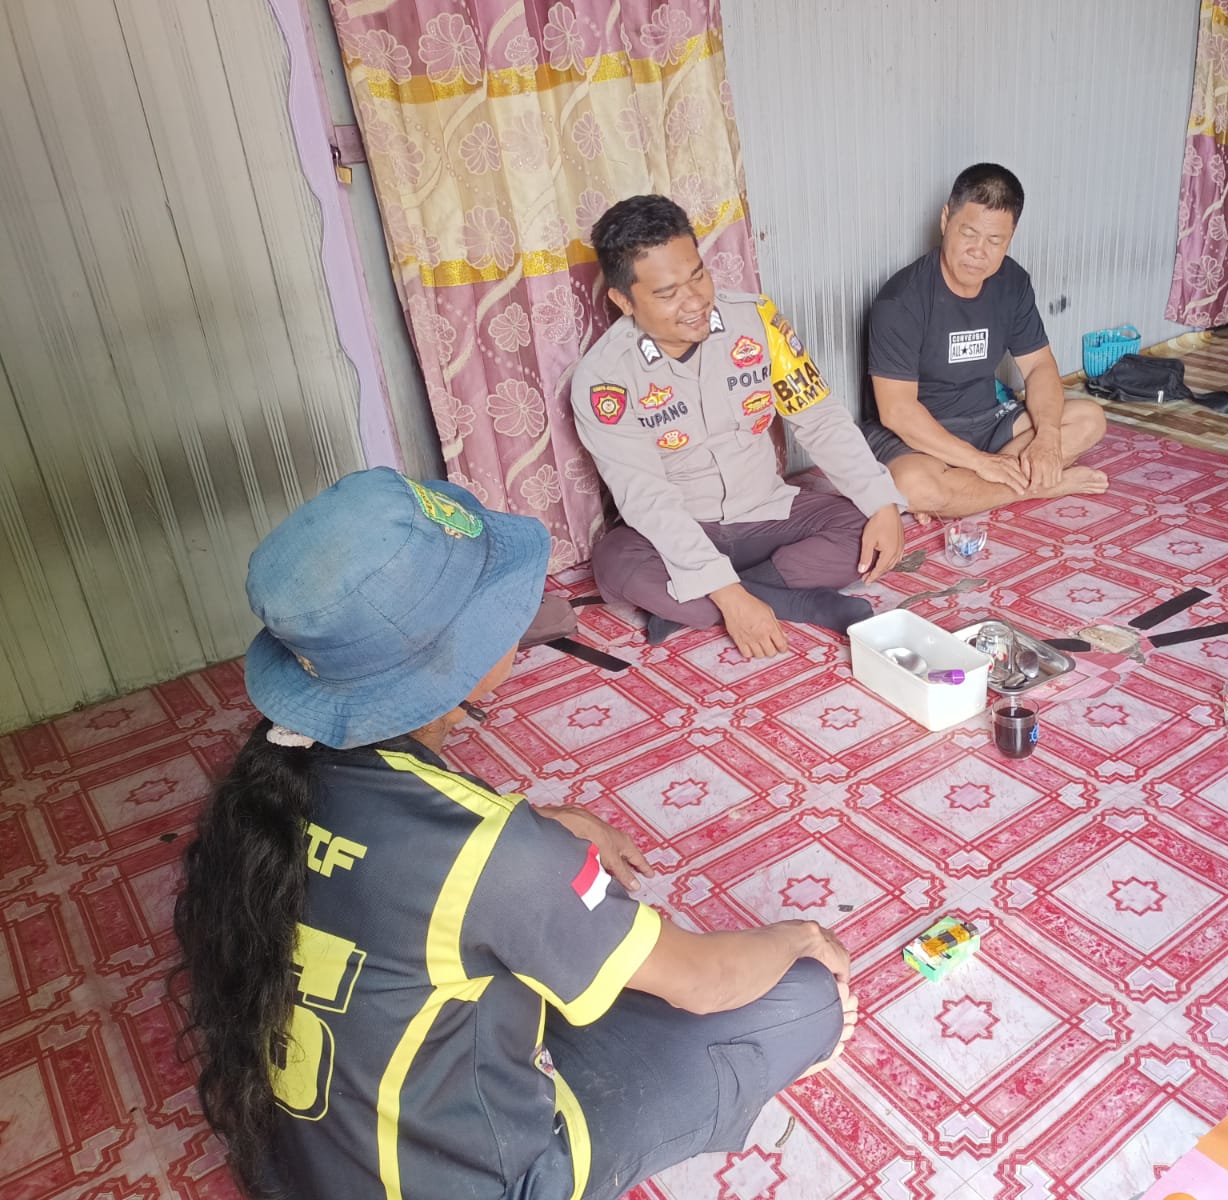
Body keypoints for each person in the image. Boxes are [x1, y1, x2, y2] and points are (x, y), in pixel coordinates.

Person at [171, 467, 856, 1200]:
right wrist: (799, 936)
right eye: (497, 605)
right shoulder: (501, 857)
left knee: (544, 960)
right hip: (494, 1185)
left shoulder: (274, 778)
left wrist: (546, 829)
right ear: (452, 661)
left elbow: (411, 871)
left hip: (298, 1172)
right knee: (806, 1000)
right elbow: (703, 982)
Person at [573, 195, 907, 660]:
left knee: (864, 527)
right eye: (667, 294)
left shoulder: (757, 321)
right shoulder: (604, 378)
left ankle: (699, 602)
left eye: (698, 276)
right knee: (618, 564)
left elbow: (819, 416)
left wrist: (882, 504)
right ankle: (798, 600)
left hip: (767, 511)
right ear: (623, 300)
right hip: (679, 530)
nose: (694, 302)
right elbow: (645, 497)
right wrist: (730, 597)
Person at [861, 163, 1109, 518]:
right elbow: (898, 412)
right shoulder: (901, 300)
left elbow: (1038, 366)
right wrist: (980, 463)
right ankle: (1040, 487)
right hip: (919, 437)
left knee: (1088, 419)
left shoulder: (1012, 283)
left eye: (995, 241)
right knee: (914, 486)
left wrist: (1046, 440)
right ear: (945, 220)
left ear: (1011, 237)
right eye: (969, 233)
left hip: (988, 420)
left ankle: (970, 494)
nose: (979, 251)